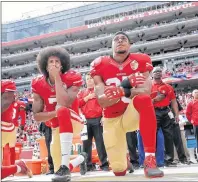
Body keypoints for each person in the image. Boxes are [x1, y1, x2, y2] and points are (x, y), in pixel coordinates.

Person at [90, 31, 164, 178]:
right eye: (116, 39)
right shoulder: (100, 64)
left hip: (132, 113)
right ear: (111, 45)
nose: (120, 40)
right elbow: (102, 101)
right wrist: (127, 84)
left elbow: (146, 91)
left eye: (124, 38)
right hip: (112, 119)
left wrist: (122, 91)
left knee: (143, 99)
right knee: (119, 171)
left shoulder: (140, 60)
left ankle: (150, 159)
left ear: (130, 44)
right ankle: (122, 157)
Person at [31, 47, 87, 182]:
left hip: (73, 121)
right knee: (58, 171)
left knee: (62, 109)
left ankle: (65, 166)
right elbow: (37, 116)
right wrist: (54, 113)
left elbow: (64, 102)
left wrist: (57, 78)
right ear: (45, 65)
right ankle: (80, 159)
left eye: (57, 61)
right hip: (56, 126)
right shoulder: (38, 83)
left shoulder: (72, 77)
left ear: (62, 65)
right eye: (51, 61)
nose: (54, 64)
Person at [78, 72, 109, 171]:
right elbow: (77, 104)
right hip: (85, 121)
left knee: (100, 143)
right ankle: (88, 165)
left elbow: (105, 103)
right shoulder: (82, 92)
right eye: (88, 79)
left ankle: (104, 165)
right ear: (85, 81)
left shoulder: (99, 90)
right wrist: (87, 98)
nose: (90, 80)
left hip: (98, 119)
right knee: (86, 145)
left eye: (91, 78)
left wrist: (104, 116)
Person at [151, 67, 179, 167]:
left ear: (162, 74)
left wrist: (176, 114)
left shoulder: (168, 87)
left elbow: (174, 101)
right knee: (152, 137)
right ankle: (152, 161)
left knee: (169, 136)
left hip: (166, 111)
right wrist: (154, 100)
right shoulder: (148, 86)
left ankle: (169, 160)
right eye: (155, 71)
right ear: (152, 74)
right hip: (154, 111)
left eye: (159, 71)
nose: (158, 73)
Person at [1, 80, 18, 166]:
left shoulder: (7, 96)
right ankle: (14, 167)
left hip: (4, 125)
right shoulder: (12, 97)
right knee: (11, 149)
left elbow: (5, 104)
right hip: (11, 125)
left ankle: (15, 168)